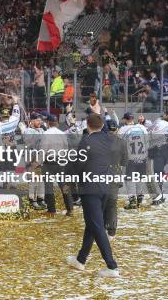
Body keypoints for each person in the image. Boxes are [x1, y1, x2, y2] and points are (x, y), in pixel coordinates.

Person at [66, 114, 120, 278]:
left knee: (97, 226)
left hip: (90, 187)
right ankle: (80, 259)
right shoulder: (109, 139)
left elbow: (78, 165)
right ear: (102, 124)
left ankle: (111, 266)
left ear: (87, 125)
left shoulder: (86, 141)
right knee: (92, 223)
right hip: (105, 186)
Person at [40, 114, 73, 216]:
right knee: (64, 185)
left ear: (48, 123)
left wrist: (39, 162)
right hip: (60, 161)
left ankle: (51, 210)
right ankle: (70, 208)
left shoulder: (46, 133)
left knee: (49, 186)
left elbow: (43, 150)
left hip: (49, 161)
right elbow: (66, 148)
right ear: (57, 123)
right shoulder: (62, 133)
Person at [103, 119, 128, 240]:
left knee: (100, 203)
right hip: (115, 174)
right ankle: (112, 231)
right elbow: (124, 161)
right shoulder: (122, 142)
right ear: (116, 129)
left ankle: (101, 227)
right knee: (112, 204)